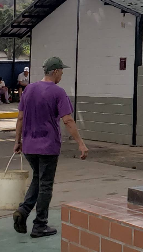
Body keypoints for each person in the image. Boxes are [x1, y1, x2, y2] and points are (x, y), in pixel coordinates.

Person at [12, 57, 88, 238]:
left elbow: (21, 118)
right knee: (45, 184)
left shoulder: (29, 89)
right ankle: (40, 225)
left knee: (38, 179)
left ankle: (23, 211)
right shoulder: (58, 92)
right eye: (61, 71)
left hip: (30, 145)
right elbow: (67, 119)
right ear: (55, 71)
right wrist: (81, 143)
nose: (62, 74)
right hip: (48, 146)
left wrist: (17, 141)